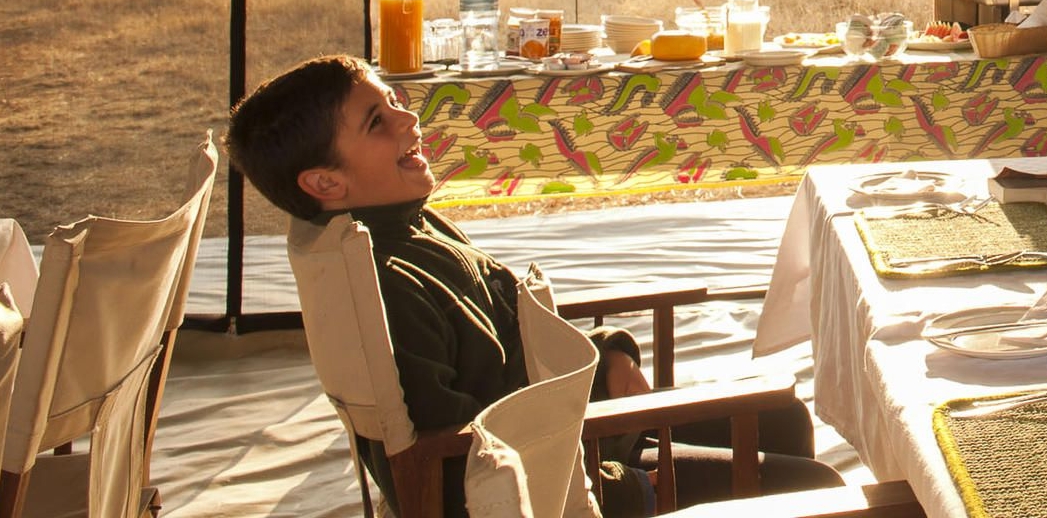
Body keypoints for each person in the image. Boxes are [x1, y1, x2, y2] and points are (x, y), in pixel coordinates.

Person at [225, 55, 840, 517]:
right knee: (818, 486)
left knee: (780, 416)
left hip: (556, 428)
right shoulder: (389, 285)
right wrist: (604, 452)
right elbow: (453, 470)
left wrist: (607, 357)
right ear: (326, 183)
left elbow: (498, 350)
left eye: (394, 101)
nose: (410, 118)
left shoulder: (403, 226)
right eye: (377, 122)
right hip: (555, 485)